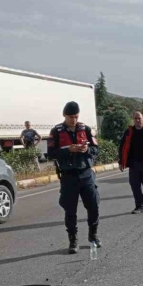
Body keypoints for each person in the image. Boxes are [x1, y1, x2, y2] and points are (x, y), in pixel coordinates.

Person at [47, 101, 100, 254]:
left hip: (86, 173)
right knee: (70, 210)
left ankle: (93, 235)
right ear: (64, 115)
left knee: (94, 205)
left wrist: (86, 149)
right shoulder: (56, 131)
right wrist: (68, 149)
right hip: (68, 176)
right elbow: (50, 153)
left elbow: (96, 149)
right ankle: (73, 239)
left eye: (76, 117)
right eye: (71, 117)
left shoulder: (85, 129)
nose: (73, 120)